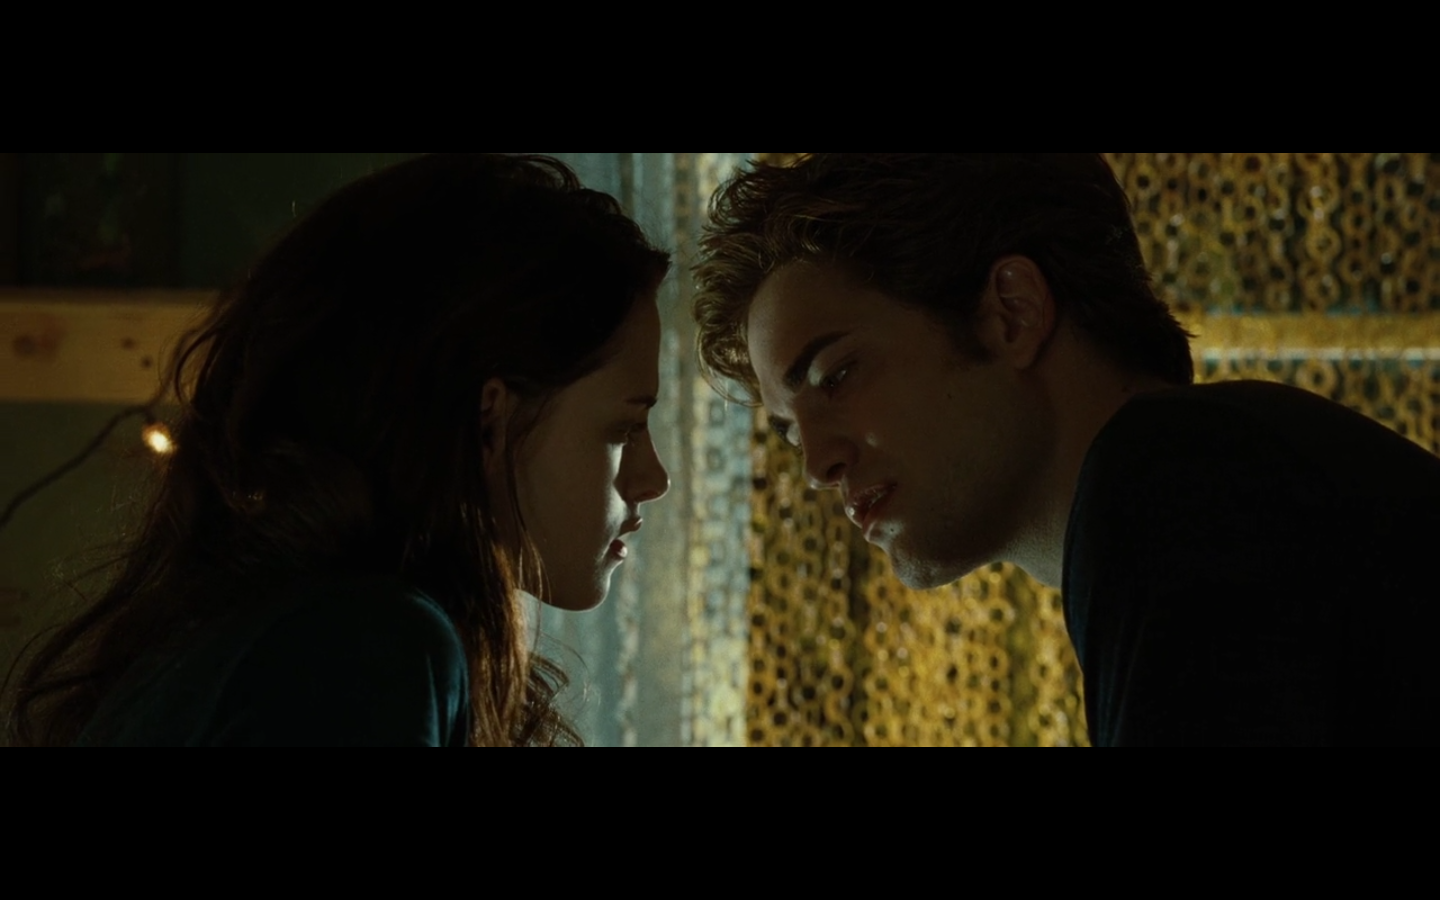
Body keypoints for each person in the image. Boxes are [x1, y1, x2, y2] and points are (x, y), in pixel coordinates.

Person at [693, 153, 1440, 747]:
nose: (817, 464)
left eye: (837, 376)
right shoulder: (1210, 481)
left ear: (1012, 313)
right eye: (789, 430)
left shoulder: (1180, 481)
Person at [7, 153, 672, 747]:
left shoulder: (278, 630)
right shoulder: (363, 650)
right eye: (624, 429)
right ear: (489, 419)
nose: (654, 478)